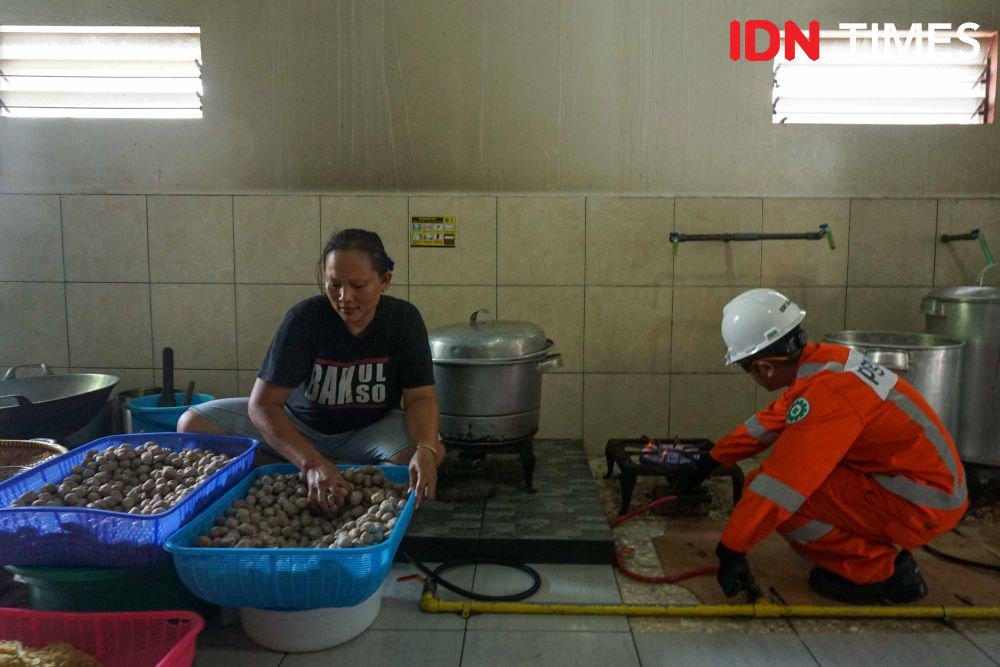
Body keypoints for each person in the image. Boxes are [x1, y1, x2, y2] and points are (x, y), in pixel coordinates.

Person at [675, 288, 967, 604]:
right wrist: (714, 459)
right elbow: (773, 419)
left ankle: (884, 573)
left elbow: (782, 484)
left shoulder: (828, 396)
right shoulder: (827, 363)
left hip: (922, 501)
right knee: (780, 489)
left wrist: (731, 548)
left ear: (765, 368)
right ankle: (872, 555)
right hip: (922, 485)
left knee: (780, 499)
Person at [178, 228, 445, 511]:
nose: (344, 297)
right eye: (334, 285)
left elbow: (420, 398)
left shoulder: (404, 320)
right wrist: (311, 461)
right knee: (192, 426)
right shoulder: (304, 319)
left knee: (433, 450)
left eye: (358, 286)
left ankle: (325, 475)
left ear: (384, 281)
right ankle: (316, 472)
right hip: (301, 425)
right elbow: (263, 405)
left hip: (369, 431)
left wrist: (425, 449)